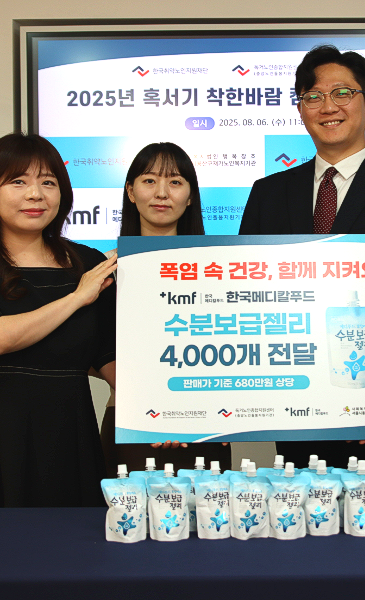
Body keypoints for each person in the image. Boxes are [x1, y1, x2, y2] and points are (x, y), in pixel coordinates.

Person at [239, 45, 365, 504]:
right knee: (296, 518)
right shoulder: (268, 193)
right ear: (301, 110)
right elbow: (249, 290)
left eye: (342, 93)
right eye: (313, 96)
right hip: (291, 393)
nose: (327, 106)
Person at [0, 133, 118, 548]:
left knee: (71, 552)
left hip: (67, 430)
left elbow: (108, 358)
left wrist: (162, 411)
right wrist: (77, 297)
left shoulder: (88, 263)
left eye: (48, 182)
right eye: (17, 181)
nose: (35, 194)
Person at [98, 142, 232, 473]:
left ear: (190, 196)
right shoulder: (104, 271)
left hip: (206, 423)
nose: (161, 193)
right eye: (149, 180)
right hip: (131, 421)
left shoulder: (221, 270)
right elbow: (89, 351)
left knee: (208, 508)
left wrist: (202, 411)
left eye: (175, 181)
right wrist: (154, 405)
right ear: (131, 192)